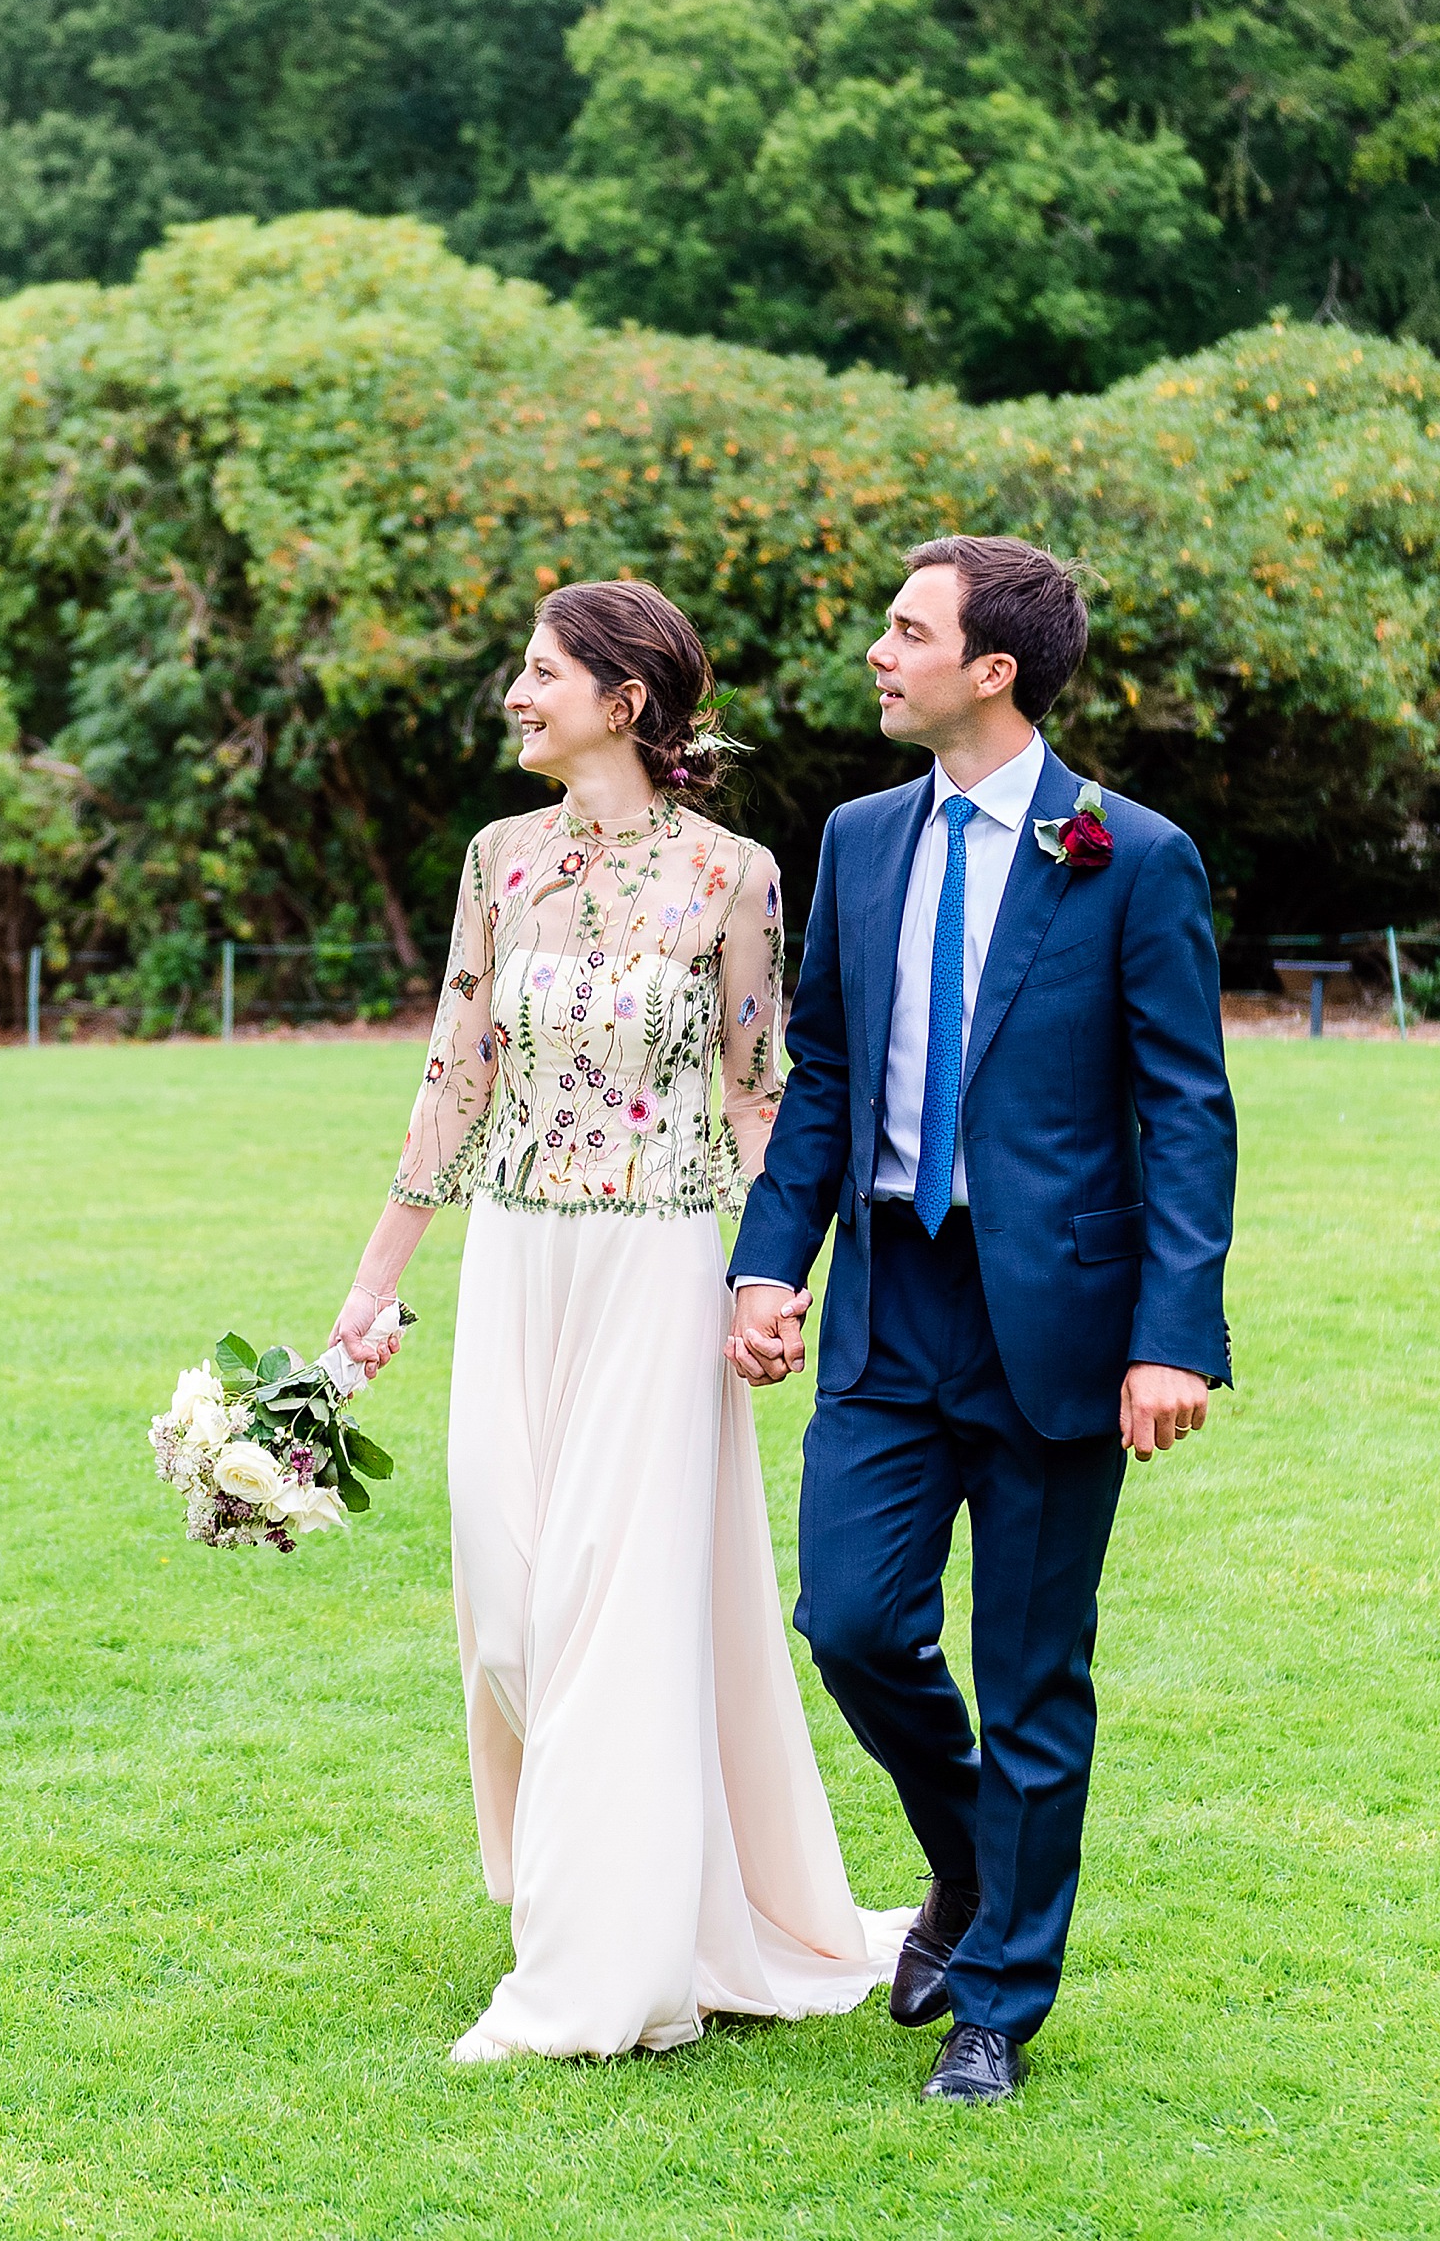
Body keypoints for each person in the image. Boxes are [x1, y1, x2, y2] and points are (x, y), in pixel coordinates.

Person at [331, 578, 907, 2063]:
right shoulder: (498, 861)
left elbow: (762, 1087)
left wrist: (772, 1276)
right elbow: (454, 1073)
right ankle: (615, 1893)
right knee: (509, 1606)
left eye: (538, 673)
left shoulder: (735, 874)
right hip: (519, 1259)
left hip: (659, 1262)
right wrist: (373, 1283)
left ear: (623, 698)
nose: (516, 696)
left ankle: (608, 1969)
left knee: (619, 1601)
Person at [727, 536, 1236, 2104]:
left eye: (904, 629)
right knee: (854, 1623)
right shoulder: (861, 838)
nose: (876, 652)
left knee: (1029, 1675)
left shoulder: (1127, 854)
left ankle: (999, 2001)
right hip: (889, 1305)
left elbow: (1186, 1106)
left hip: (1060, 1325)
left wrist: (1175, 1333)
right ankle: (967, 1864)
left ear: (991, 668)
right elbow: (823, 1070)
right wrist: (769, 1260)